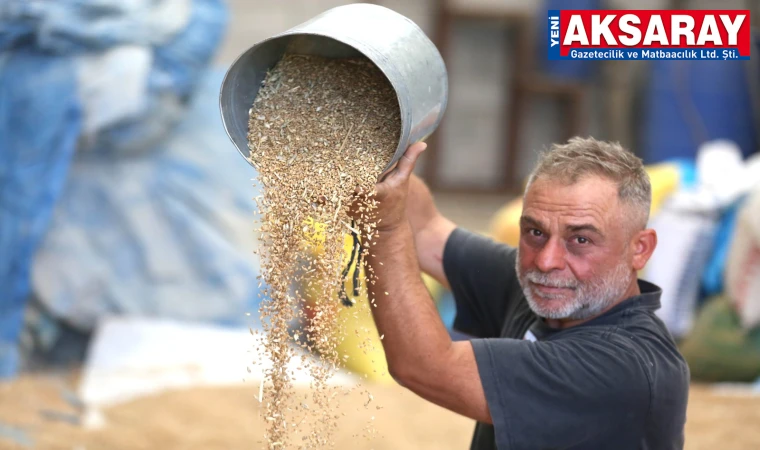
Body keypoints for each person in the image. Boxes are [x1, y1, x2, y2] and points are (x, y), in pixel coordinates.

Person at [360, 137, 690, 449]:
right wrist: (381, 142)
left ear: (640, 249)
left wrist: (385, 226)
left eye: (581, 240)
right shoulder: (543, 293)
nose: (546, 261)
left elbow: (424, 366)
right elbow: (426, 230)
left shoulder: (623, 367)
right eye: (535, 231)